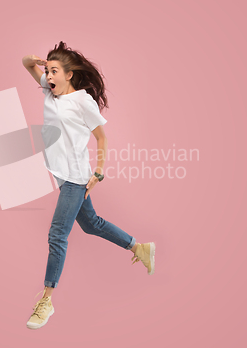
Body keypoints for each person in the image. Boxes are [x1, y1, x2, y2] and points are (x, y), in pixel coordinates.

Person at [22, 42, 155, 330]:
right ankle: (139, 248)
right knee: (91, 223)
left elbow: (102, 138)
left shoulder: (83, 101)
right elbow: (26, 64)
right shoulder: (50, 90)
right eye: (47, 70)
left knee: (57, 235)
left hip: (75, 177)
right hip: (60, 173)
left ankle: (46, 300)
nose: (48, 75)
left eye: (54, 71)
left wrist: (98, 172)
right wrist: (32, 60)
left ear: (69, 75)